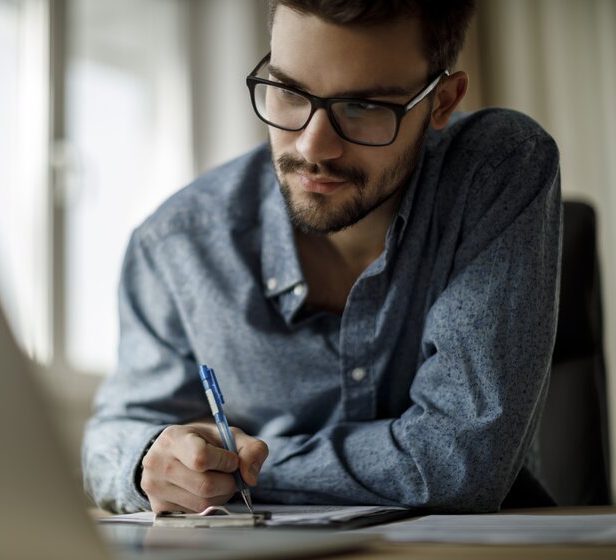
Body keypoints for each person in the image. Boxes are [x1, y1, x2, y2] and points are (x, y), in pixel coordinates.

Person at [83, 0, 562, 515]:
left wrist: (244, 471)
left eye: (363, 107)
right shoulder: (177, 242)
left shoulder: (497, 169)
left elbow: (460, 461)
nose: (314, 147)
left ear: (442, 102)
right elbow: (113, 438)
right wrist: (151, 461)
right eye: (289, 92)